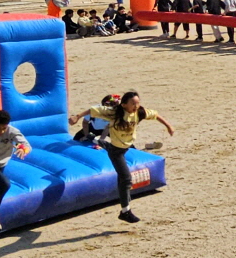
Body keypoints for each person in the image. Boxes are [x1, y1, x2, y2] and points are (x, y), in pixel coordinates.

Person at [69, 91, 174, 223]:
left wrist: (169, 126)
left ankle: (93, 139)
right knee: (126, 178)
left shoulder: (139, 112)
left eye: (138, 103)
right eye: (133, 104)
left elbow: (155, 115)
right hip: (116, 152)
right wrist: (77, 116)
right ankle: (125, 212)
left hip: (125, 146)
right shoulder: (114, 112)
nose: (136, 106)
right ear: (124, 105)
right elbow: (92, 110)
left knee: (108, 148)